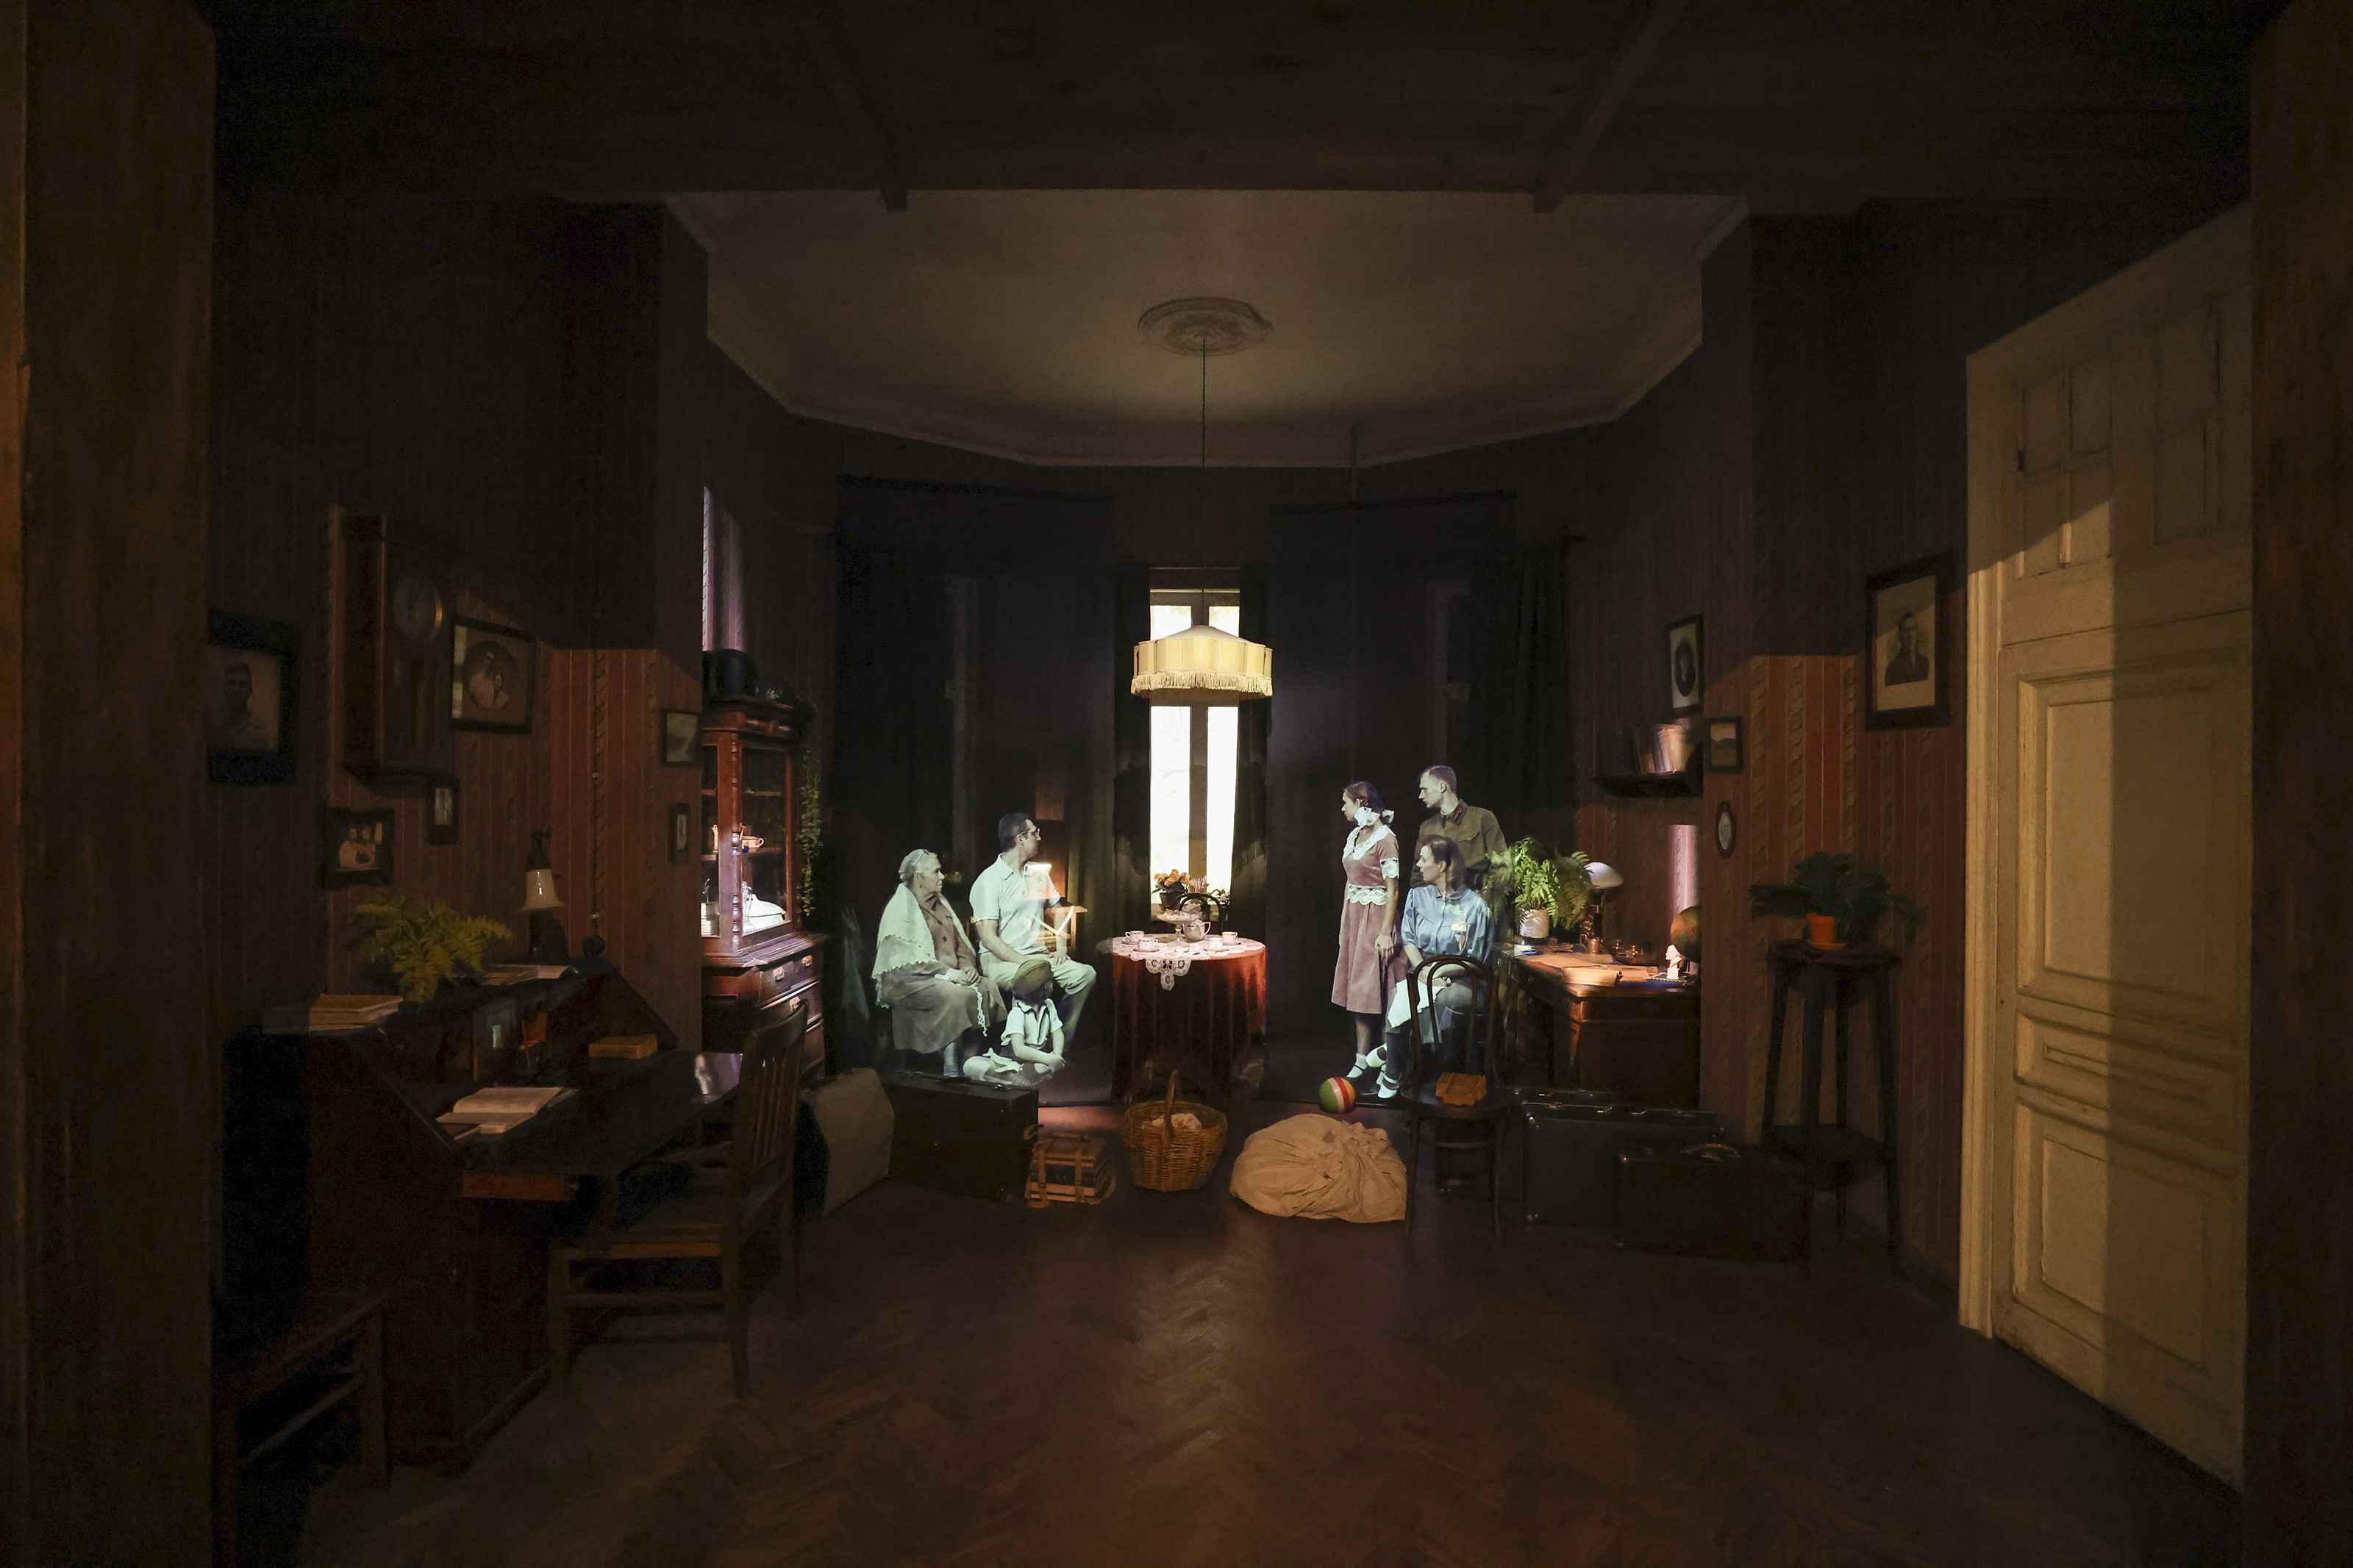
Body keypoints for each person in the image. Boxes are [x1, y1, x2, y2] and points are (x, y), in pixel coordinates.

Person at [1370, 835, 1495, 1098]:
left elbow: (1478, 959)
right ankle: (1393, 1074)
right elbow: (1409, 940)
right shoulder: (1417, 897)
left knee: (1447, 1001)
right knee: (1399, 994)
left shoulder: (1476, 908)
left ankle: (1400, 1055)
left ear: (1442, 866)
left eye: (1423, 860)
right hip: (1423, 969)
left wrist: (1440, 971)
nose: (1418, 865)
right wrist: (1425, 971)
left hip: (1463, 977)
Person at [872, 848, 1001, 1076]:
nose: (942, 877)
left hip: (948, 975)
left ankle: (970, 1057)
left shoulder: (942, 905)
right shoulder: (900, 909)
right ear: (919, 878)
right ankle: (950, 1067)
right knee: (955, 995)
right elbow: (907, 961)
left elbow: (961, 944)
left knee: (989, 987)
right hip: (909, 981)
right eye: (936, 872)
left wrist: (967, 966)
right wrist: (948, 973)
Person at [970, 812, 1096, 1039]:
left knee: (1085, 974)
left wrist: (1060, 947)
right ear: (1020, 839)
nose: (1039, 838)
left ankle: (1058, 1040)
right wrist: (1025, 963)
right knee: (1035, 981)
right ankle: (1028, 1046)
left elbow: (1058, 910)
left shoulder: (1038, 873)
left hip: (1038, 956)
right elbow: (988, 938)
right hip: (999, 961)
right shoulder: (989, 880)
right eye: (1035, 833)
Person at [1332, 781, 1405, 1086]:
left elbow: (1393, 889)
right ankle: (1361, 1058)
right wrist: (1344, 924)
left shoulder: (1386, 839)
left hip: (1377, 919)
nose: (1343, 808)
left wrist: (1386, 932)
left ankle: (1391, 1062)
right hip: (1355, 919)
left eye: (1346, 802)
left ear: (1361, 802)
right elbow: (1351, 883)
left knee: (1383, 989)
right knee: (1358, 991)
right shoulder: (1355, 835)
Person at [962, 958, 1066, 1089]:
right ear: (1042, 988)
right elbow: (1019, 1050)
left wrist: (1056, 1056)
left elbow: (1057, 1033)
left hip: (1036, 1060)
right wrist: (1049, 1059)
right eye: (1050, 982)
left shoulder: (1049, 1005)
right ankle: (1015, 1078)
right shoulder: (1017, 1013)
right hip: (1014, 1060)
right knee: (972, 1064)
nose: (1053, 985)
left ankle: (1023, 1077)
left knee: (1043, 1067)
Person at [1415, 765, 1508, 907]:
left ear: (1442, 787)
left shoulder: (1482, 819)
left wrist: (1481, 904)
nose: (1421, 796)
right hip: (1439, 909)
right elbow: (1417, 876)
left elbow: (1502, 868)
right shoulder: (1427, 828)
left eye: (1425, 789)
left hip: (1476, 905)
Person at [211, 657, 273, 751]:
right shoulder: (214, 728)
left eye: (243, 685)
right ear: (225, 688)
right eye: (232, 683)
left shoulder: (259, 733)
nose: (237, 690)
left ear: (250, 691)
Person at [1883, 609, 1930, 686]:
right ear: (1900, 637)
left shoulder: (1924, 663)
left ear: (1917, 633)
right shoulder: (1893, 668)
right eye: (1906, 631)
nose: (1910, 635)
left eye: (1913, 629)